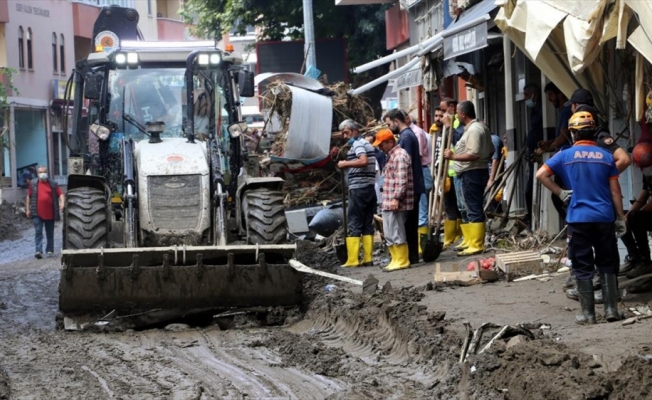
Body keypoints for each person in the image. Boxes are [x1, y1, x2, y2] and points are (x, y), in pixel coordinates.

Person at [536, 111, 625, 325]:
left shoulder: (564, 155)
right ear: (594, 131)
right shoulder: (606, 156)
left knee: (582, 264)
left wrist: (560, 192)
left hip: (578, 218)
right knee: (607, 261)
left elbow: (541, 175)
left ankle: (588, 314)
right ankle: (612, 310)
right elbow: (615, 190)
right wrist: (620, 217)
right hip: (604, 217)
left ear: (574, 133)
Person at [443, 101, 494, 256]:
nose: (457, 115)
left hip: (473, 172)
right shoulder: (479, 128)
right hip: (475, 171)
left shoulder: (474, 130)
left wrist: (453, 156)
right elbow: (490, 150)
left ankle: (477, 244)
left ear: (463, 114)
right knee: (471, 207)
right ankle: (472, 241)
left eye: (458, 112)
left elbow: (473, 154)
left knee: (473, 207)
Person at [383, 109, 425, 264]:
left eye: (389, 124)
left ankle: (409, 256)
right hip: (413, 184)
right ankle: (411, 256)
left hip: (410, 187)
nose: (389, 127)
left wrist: (398, 194)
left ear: (396, 121)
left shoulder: (405, 138)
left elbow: (402, 167)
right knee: (409, 223)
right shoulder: (407, 135)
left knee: (406, 225)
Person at [337, 119, 377, 268]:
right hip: (369, 187)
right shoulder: (368, 144)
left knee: (354, 222)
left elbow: (363, 161)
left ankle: (353, 259)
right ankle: (368, 258)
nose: (344, 136)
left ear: (355, 131)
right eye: (343, 133)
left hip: (358, 189)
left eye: (346, 132)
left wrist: (345, 164)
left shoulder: (358, 144)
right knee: (367, 223)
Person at [373, 129, 414, 272]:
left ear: (390, 142)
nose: (380, 148)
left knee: (396, 231)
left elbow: (401, 180)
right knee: (390, 231)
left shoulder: (400, 155)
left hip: (394, 201)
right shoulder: (392, 156)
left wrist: (397, 198)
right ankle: (396, 259)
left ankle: (402, 260)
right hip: (389, 200)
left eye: (382, 144)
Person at [536, 82, 574, 221]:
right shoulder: (561, 112)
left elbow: (564, 136)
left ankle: (571, 222)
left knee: (558, 195)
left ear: (560, 94)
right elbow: (561, 136)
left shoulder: (566, 111)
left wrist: (550, 147)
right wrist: (550, 143)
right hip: (564, 158)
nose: (549, 99)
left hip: (566, 159)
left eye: (551, 95)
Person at [618, 142, 652, 279]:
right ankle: (635, 258)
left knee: (635, 218)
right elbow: (643, 197)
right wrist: (625, 216)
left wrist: (633, 215)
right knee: (619, 218)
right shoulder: (647, 173)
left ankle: (645, 261)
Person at [432, 107, 463, 249]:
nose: (438, 118)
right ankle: (450, 237)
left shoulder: (453, 127)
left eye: (441, 115)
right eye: (436, 115)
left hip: (452, 172)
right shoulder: (436, 132)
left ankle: (458, 235)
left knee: (458, 207)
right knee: (449, 207)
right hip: (442, 173)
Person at [404, 112, 432, 254]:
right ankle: (420, 245)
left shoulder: (415, 134)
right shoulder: (412, 133)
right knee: (420, 209)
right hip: (419, 171)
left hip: (420, 171)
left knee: (421, 209)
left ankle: (422, 246)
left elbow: (417, 156)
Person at [26, 166, 64, 259]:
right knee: (38, 232)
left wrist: (62, 203)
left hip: (50, 213)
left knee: (49, 233)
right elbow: (28, 196)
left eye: (44, 172)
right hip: (37, 213)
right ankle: (38, 250)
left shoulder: (53, 184)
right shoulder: (33, 184)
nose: (42, 174)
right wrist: (27, 209)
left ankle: (49, 250)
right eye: (40, 172)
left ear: (47, 173)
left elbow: (61, 194)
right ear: (37, 174)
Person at [523, 83, 544, 228]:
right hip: (531, 155)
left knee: (531, 189)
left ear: (534, 95)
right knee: (529, 189)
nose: (525, 99)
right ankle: (530, 219)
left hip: (539, 155)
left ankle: (534, 220)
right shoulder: (534, 111)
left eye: (526, 95)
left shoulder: (542, 111)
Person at [364, 132, 385, 209]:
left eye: (369, 143)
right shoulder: (366, 154)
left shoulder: (378, 154)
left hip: (377, 184)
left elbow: (380, 169)